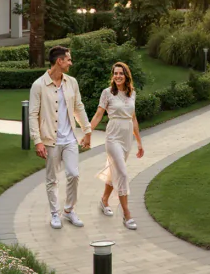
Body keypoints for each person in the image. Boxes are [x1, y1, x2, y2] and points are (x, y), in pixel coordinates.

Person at [30, 45, 90, 230]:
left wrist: (86, 131)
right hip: (50, 140)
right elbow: (32, 114)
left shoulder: (72, 82)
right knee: (52, 178)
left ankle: (69, 210)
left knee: (74, 174)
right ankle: (55, 214)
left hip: (70, 139)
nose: (71, 63)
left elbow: (78, 107)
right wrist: (37, 140)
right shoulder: (39, 85)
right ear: (59, 61)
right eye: (69, 60)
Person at [94, 61, 144, 230]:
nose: (117, 76)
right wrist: (88, 132)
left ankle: (104, 200)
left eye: (121, 73)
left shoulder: (132, 94)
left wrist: (139, 142)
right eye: (115, 73)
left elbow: (134, 118)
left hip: (127, 138)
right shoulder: (107, 93)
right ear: (112, 76)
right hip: (113, 136)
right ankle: (126, 214)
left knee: (114, 170)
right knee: (122, 172)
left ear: (126, 75)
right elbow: (99, 114)